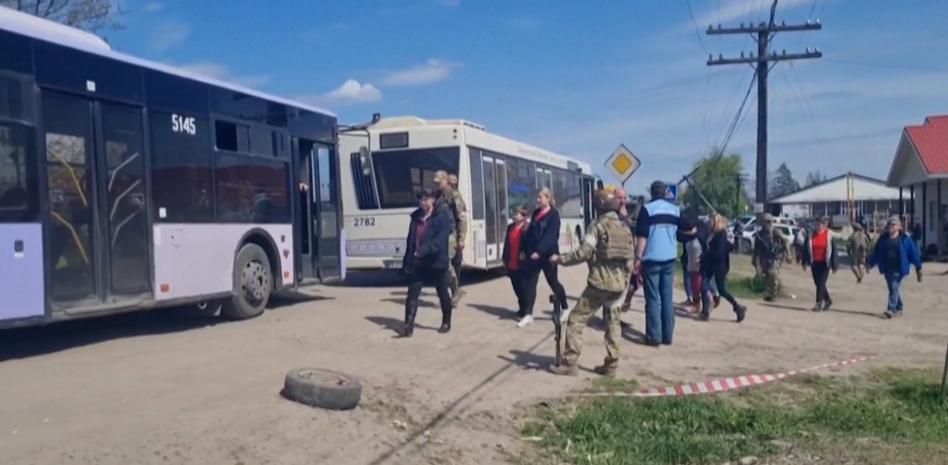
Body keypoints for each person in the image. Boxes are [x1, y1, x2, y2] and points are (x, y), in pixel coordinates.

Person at [549, 188, 633, 377]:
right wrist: (625, 280)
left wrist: (560, 259)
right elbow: (630, 259)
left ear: (598, 206)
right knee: (613, 322)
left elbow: (583, 253)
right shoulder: (624, 227)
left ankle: (570, 363)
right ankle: (611, 365)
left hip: (600, 282)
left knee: (576, 318)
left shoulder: (597, 225)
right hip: (620, 284)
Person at [401, 189, 454, 336]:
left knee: (442, 291)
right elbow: (411, 240)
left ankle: (446, 321)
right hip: (419, 262)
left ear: (433, 200)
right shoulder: (416, 217)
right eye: (421, 199)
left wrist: (423, 250)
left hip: (436, 262)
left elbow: (439, 242)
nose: (423, 202)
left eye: (426, 199)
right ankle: (408, 325)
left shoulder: (441, 218)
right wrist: (408, 260)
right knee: (413, 293)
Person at [635, 181, 681, 346]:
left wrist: (637, 258)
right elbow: (681, 232)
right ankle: (668, 336)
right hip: (669, 258)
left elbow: (642, 236)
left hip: (651, 259)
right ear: (666, 193)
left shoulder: (647, 210)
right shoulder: (675, 210)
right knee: (667, 298)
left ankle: (654, 336)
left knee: (653, 298)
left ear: (652, 192)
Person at [520, 187, 569, 327]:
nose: (538, 200)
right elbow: (529, 234)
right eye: (537, 197)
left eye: (540, 197)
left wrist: (540, 251)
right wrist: (525, 250)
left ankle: (565, 307)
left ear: (547, 198)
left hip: (548, 255)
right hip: (533, 255)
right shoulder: (536, 213)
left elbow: (551, 236)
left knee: (553, 282)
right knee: (530, 283)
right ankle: (528, 314)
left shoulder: (554, 215)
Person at [868, 217, 923, 319]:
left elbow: (913, 253)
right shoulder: (883, 239)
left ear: (899, 227)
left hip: (900, 268)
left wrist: (918, 266)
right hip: (887, 268)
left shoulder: (905, 239)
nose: (891, 227)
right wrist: (870, 264)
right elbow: (876, 252)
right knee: (893, 289)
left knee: (894, 287)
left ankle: (890, 309)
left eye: (894, 225)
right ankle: (899, 307)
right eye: (890, 225)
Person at [700, 214, 747, 322]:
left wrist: (708, 255)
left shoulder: (721, 234)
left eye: (711, 220)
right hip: (709, 265)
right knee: (703, 287)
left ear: (716, 222)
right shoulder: (711, 233)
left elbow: (719, 252)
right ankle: (705, 311)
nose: (709, 222)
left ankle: (738, 308)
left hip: (719, 266)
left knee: (722, 290)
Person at [433, 171, 468, 308]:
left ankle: (454, 290)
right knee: (439, 266)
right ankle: (447, 295)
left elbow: (462, 218)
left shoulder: (453, 195)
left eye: (439, 182)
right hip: (439, 235)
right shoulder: (437, 196)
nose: (436, 184)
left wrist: (461, 238)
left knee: (445, 264)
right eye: (435, 182)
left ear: (445, 181)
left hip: (451, 234)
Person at [802, 217, 838, 311]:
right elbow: (805, 249)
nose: (817, 226)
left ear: (824, 225)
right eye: (816, 224)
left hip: (825, 263)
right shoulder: (810, 235)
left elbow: (834, 250)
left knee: (821, 283)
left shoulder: (829, 235)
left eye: (820, 224)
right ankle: (828, 300)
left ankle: (818, 303)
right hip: (814, 262)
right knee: (817, 283)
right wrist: (804, 261)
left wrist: (835, 265)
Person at [752, 214, 790, 302]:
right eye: (766, 222)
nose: (769, 224)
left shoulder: (776, 232)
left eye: (770, 222)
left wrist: (788, 254)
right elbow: (756, 249)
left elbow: (786, 241)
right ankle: (770, 293)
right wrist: (755, 261)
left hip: (776, 257)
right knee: (766, 275)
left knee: (772, 272)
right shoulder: (759, 235)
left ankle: (773, 294)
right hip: (765, 257)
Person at [502, 206, 531, 319]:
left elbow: (529, 244)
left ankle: (525, 310)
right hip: (511, 262)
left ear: (523, 217)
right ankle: (522, 308)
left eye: (517, 214)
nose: (514, 215)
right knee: (516, 287)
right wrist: (504, 257)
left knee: (523, 287)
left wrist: (525, 254)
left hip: (522, 263)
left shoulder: (526, 228)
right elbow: (506, 244)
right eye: (514, 213)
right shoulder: (510, 227)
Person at [447, 173, 464, 295]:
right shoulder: (444, 195)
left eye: (455, 180)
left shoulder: (455, 195)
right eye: (451, 180)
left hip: (455, 233)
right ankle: (454, 289)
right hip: (450, 234)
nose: (453, 182)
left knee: (456, 262)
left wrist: (461, 238)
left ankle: (456, 288)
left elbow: (461, 215)